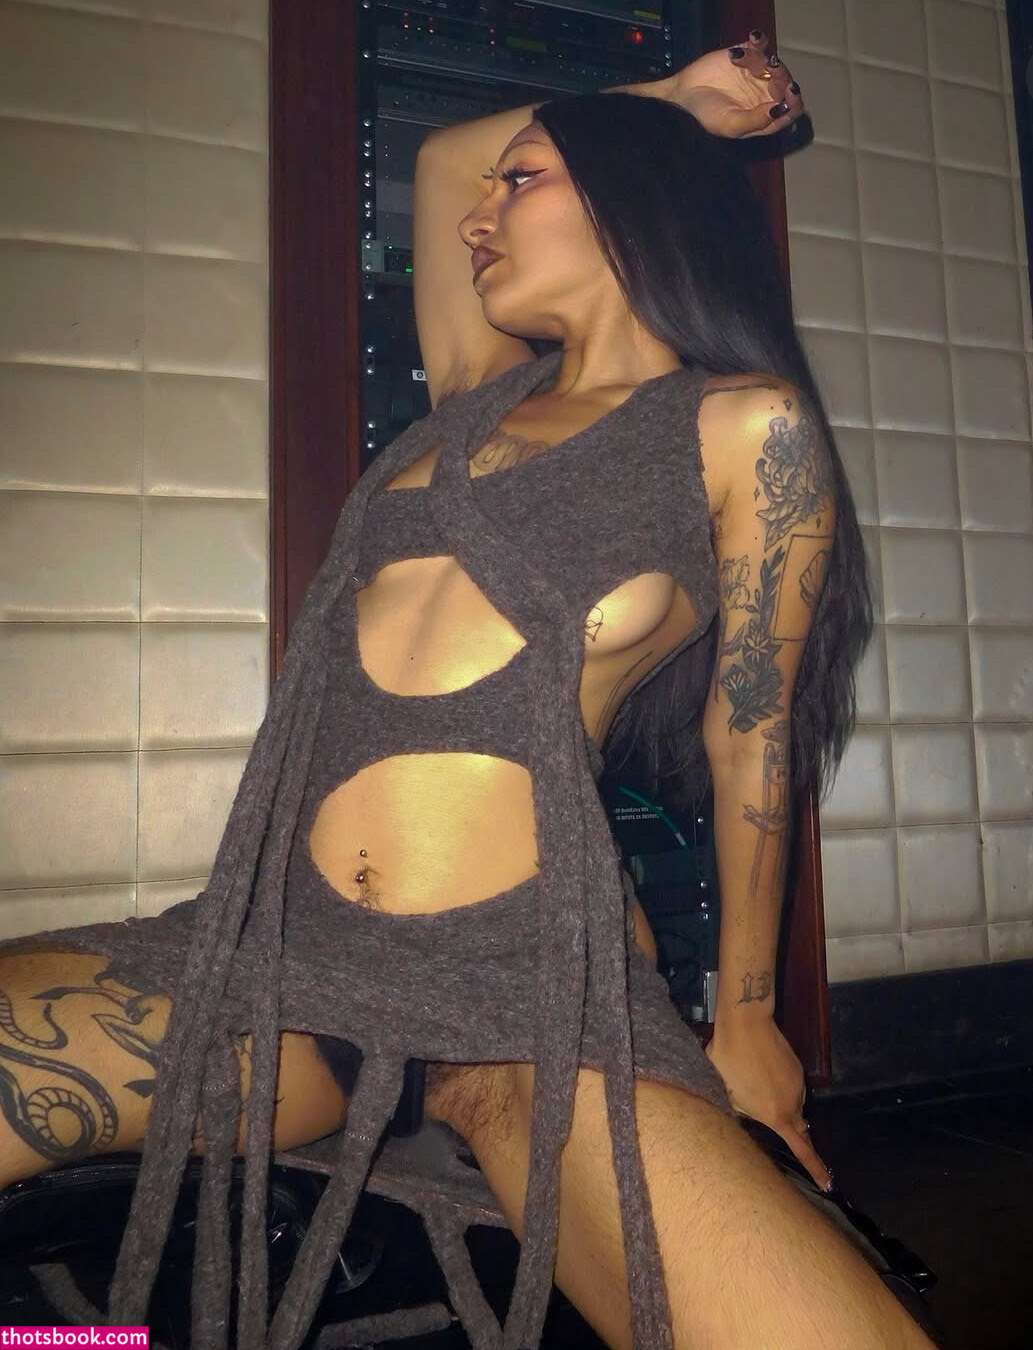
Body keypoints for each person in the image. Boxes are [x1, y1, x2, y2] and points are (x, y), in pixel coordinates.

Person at [0, 30, 936, 1350]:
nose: (478, 216)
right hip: (273, 952)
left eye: (525, 182)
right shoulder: (471, 395)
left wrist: (745, 1017)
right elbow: (442, 159)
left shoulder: (740, 424)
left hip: (528, 987)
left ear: (628, 202)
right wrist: (674, 95)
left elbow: (752, 736)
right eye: (497, 191)